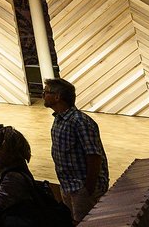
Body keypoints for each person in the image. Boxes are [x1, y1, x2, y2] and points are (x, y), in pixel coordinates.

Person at [44, 77, 109, 223]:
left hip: (82, 189)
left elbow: (94, 156)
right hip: (68, 186)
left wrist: (88, 188)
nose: (43, 95)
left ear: (57, 96)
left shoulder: (80, 122)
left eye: (46, 92)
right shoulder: (59, 119)